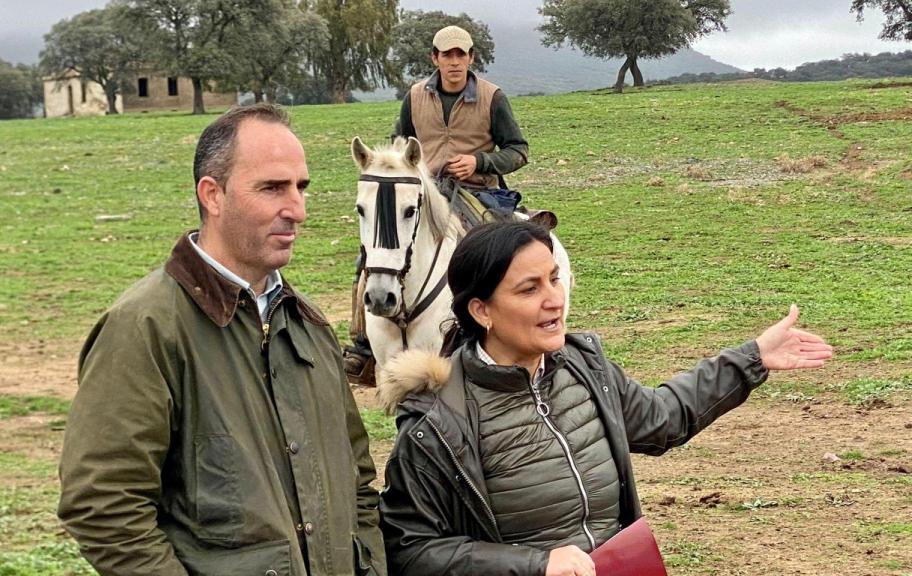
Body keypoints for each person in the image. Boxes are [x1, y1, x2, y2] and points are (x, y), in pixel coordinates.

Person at [375, 220, 833, 576]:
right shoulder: (437, 421)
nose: (554, 299)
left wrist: (752, 358)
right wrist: (536, 566)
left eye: (554, 279)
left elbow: (661, 417)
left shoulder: (583, 367)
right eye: (529, 289)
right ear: (482, 310)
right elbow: (411, 549)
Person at [58, 104, 386, 576]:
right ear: (212, 195)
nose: (298, 210)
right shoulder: (145, 327)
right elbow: (103, 505)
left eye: (301, 187)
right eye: (273, 188)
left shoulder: (308, 324)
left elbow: (356, 482)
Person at [343, 24, 530, 382]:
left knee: (495, 253)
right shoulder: (414, 97)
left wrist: (480, 162)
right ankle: (365, 348)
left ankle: (500, 331)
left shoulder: (493, 98)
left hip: (478, 192)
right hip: (422, 192)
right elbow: (399, 144)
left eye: (462, 54)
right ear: (435, 58)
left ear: (471, 58)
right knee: (372, 253)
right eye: (448, 54)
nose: (455, 61)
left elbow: (519, 151)